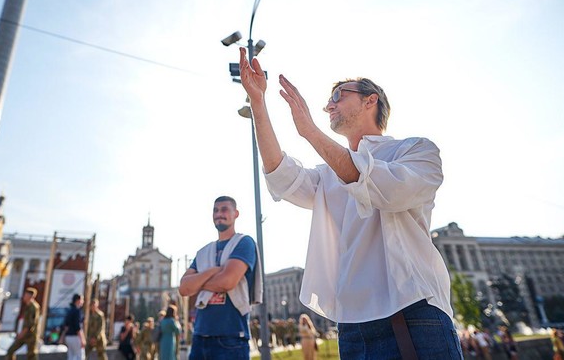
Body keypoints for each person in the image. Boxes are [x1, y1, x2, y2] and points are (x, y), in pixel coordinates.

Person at [238, 47, 463, 360]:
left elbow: (387, 190)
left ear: (371, 100)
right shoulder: (328, 174)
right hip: (351, 326)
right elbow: (281, 176)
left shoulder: (415, 151)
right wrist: (258, 104)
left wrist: (310, 132)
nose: (328, 105)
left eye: (338, 95)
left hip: (413, 312)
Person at [178, 195, 264, 360]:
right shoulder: (203, 252)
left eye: (224, 209)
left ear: (236, 214)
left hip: (231, 337)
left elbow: (227, 282)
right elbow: (184, 288)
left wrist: (197, 282)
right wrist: (213, 271)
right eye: (215, 210)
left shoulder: (244, 242)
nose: (219, 214)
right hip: (200, 336)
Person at [6, 287, 41, 360]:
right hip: (24, 334)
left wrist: (22, 333)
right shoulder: (27, 306)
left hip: (30, 335)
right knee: (10, 351)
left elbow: (30, 324)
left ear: (30, 296)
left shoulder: (33, 307)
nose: (24, 297)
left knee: (31, 355)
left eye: (26, 295)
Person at [60, 294, 85, 360]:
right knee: (79, 356)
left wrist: (62, 336)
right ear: (78, 300)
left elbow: (66, 326)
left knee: (71, 356)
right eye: (82, 299)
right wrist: (82, 338)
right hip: (75, 336)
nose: (83, 301)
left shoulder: (69, 311)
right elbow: (78, 326)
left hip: (68, 337)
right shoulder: (77, 311)